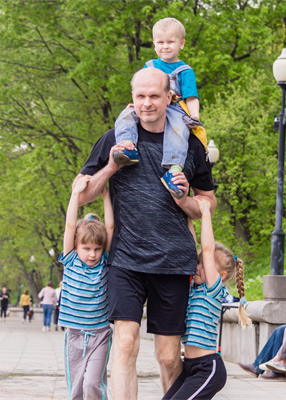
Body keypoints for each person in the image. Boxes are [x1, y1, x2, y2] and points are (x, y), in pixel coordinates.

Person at [77, 67, 216, 399]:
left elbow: (208, 204)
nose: (147, 104)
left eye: (154, 96)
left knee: (168, 358)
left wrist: (184, 198)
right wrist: (111, 165)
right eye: (140, 96)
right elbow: (82, 194)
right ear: (132, 98)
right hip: (126, 260)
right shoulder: (115, 139)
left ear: (169, 97)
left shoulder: (189, 146)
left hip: (173, 263)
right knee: (125, 343)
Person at [163, 196, 250, 399]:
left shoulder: (213, 290)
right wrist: (188, 217)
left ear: (220, 276)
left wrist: (204, 214)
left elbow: (207, 249)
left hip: (208, 369)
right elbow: (194, 248)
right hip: (190, 368)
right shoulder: (194, 288)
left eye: (205, 264)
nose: (199, 265)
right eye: (199, 262)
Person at [112, 17, 206, 199]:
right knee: (126, 114)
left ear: (181, 44)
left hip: (174, 108)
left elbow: (191, 97)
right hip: (150, 105)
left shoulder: (184, 71)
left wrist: (194, 115)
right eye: (160, 42)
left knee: (179, 130)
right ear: (154, 44)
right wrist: (137, 102)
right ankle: (127, 145)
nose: (165, 46)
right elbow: (141, 87)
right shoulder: (150, 66)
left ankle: (174, 169)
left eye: (171, 42)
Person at [58, 175, 114, 400]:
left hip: (100, 335)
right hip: (73, 335)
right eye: (87, 248)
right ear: (76, 246)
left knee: (93, 384)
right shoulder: (70, 260)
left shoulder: (103, 264)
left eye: (97, 249)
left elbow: (109, 227)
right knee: (76, 390)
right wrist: (75, 195)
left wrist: (106, 194)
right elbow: (71, 225)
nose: (92, 254)